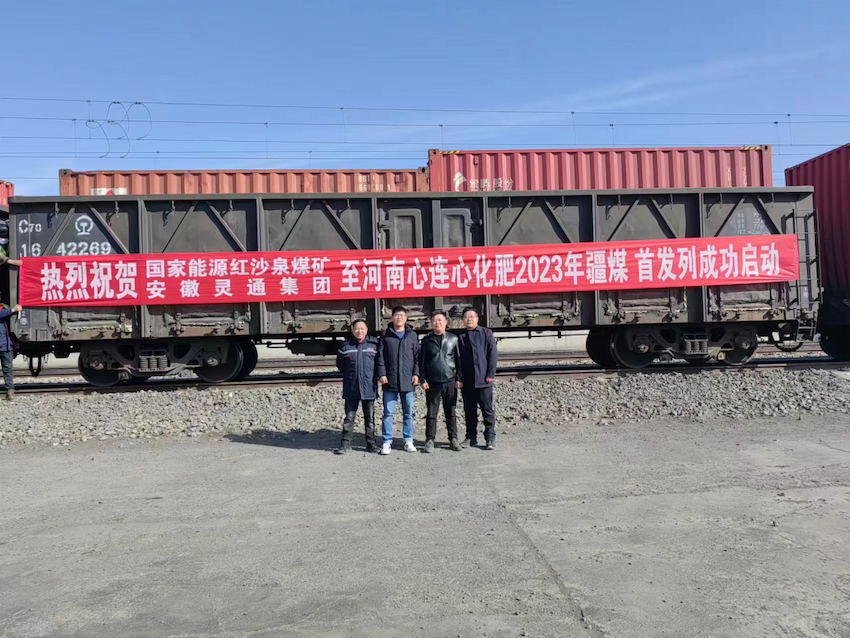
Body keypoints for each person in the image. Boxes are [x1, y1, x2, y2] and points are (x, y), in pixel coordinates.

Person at [376, 306, 420, 455]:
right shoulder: (385, 335)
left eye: (402, 315)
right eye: (396, 315)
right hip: (390, 380)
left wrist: (416, 374)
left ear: (406, 318)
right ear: (392, 317)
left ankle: (408, 440)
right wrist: (382, 374)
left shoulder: (412, 336)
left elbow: (417, 357)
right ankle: (387, 441)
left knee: (408, 413)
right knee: (388, 413)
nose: (399, 318)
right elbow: (380, 357)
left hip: (408, 380)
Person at [419, 310, 462, 453]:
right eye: (434, 320)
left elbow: (458, 360)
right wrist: (423, 379)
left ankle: (453, 438)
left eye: (440, 320)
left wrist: (459, 378)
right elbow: (422, 361)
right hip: (433, 382)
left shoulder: (453, 339)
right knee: (432, 412)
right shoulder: (426, 340)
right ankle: (430, 440)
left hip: (449, 380)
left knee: (451, 411)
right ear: (431, 323)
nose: (437, 323)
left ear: (446, 323)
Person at [334, 319, 379, 454]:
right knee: (349, 417)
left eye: (362, 328)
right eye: (357, 328)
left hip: (369, 387)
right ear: (353, 330)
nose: (360, 331)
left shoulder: (374, 345)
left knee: (369, 418)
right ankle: (345, 444)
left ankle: (371, 444)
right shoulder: (345, 347)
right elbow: (341, 365)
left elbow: (379, 365)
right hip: (351, 387)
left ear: (367, 330)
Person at [457, 308, 498, 450]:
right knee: (469, 411)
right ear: (463, 320)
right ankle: (471, 437)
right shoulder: (460, 336)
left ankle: (490, 438)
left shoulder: (486, 333)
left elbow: (492, 354)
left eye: (472, 316)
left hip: (484, 380)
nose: (469, 319)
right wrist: (459, 378)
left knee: (487, 410)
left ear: (477, 319)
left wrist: (490, 374)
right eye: (466, 317)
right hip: (467, 381)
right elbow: (458, 360)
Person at [0, 303, 22, 401]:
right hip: (4, 344)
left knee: (8, 370)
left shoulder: (4, 307)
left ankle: (10, 392)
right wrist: (13, 310)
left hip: (5, 345)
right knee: (7, 370)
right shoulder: (5, 310)